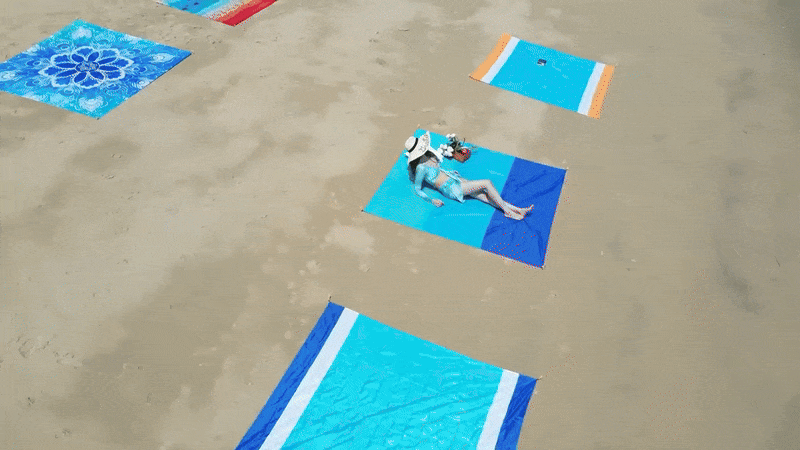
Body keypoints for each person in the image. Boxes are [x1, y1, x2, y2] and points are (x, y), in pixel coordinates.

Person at [405, 132, 533, 220]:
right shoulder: (421, 168)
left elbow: (438, 170)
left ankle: (517, 209)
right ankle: (508, 212)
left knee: (484, 196)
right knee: (486, 183)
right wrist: (432, 200)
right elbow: (417, 188)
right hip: (450, 188)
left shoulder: (429, 156)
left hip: (454, 179)